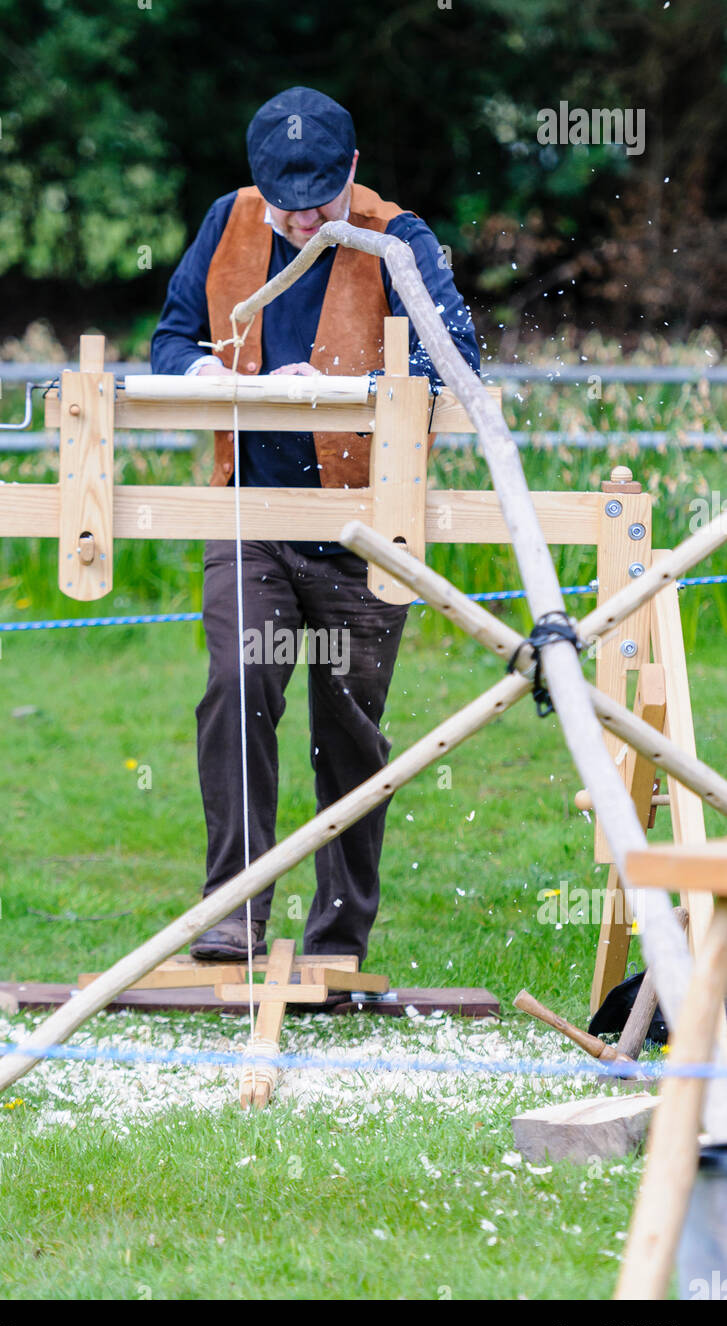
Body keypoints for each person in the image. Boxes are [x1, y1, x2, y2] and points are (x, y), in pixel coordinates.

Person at [151, 87, 479, 965]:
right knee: (236, 691)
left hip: (365, 525)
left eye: (320, 204)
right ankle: (232, 914)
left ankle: (336, 938)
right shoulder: (228, 222)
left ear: (353, 172)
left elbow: (451, 364)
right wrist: (238, 383)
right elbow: (171, 342)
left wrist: (341, 388)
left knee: (348, 729)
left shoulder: (399, 238)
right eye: (286, 205)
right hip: (248, 511)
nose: (301, 221)